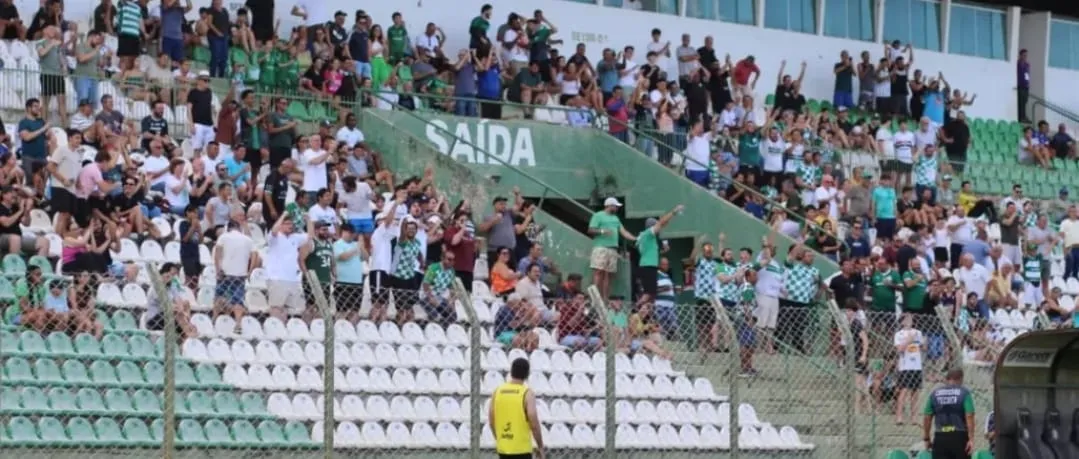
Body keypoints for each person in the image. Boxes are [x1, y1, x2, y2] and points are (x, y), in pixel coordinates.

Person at [489, 357, 545, 459]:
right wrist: (540, 445)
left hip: (503, 448)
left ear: (511, 372)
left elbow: (491, 420)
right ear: (527, 374)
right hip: (521, 448)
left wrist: (499, 439)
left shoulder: (498, 391)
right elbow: (533, 422)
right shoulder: (527, 393)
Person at [635, 204, 682, 305]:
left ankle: (644, 312)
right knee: (648, 294)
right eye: (656, 226)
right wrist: (673, 212)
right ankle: (635, 309)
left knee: (651, 293)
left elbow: (652, 252)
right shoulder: (648, 233)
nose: (659, 229)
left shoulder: (644, 237)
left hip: (647, 266)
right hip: (648, 266)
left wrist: (663, 250)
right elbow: (662, 223)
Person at [923, 368, 976, 459]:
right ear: (960, 379)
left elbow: (927, 417)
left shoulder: (934, 393)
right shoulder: (964, 393)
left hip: (940, 436)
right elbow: (969, 415)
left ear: (946, 379)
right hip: (959, 436)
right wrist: (971, 439)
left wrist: (927, 438)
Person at [589, 197, 636, 299]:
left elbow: (624, 232)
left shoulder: (616, 218)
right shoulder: (598, 216)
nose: (617, 208)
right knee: (598, 272)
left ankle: (605, 298)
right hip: (601, 247)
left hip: (613, 249)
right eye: (615, 206)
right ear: (609, 205)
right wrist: (602, 231)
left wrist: (635, 238)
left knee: (609, 275)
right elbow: (591, 230)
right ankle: (595, 297)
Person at [213, 221, 255, 330]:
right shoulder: (247, 239)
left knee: (219, 295)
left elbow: (217, 253)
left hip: (225, 272)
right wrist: (250, 271)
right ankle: (238, 323)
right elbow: (254, 256)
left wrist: (218, 269)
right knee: (238, 299)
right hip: (240, 274)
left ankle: (214, 318)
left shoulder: (224, 237)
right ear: (239, 228)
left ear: (228, 228)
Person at [895, 313, 926, 425]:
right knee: (904, 391)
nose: (909, 321)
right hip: (905, 366)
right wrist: (909, 340)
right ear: (902, 322)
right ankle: (899, 416)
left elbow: (923, 347)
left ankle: (914, 417)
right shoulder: (899, 334)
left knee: (915, 392)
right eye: (907, 319)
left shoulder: (918, 332)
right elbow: (899, 349)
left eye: (911, 319)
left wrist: (923, 342)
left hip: (916, 366)